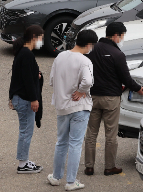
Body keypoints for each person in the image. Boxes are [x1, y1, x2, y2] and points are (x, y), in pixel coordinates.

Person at [83, 22, 143, 176]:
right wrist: (139, 89)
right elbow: (126, 78)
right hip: (111, 98)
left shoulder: (91, 49)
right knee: (110, 134)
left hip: (92, 96)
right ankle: (109, 166)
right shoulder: (118, 54)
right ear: (116, 35)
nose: (122, 38)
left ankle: (89, 166)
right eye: (122, 35)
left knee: (91, 133)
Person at [48, 30, 98, 191]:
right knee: (75, 144)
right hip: (79, 107)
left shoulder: (60, 56)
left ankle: (56, 177)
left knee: (61, 142)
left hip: (62, 106)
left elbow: (51, 81)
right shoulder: (85, 61)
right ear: (89, 44)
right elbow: (88, 81)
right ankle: (71, 182)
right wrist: (82, 90)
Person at [9, 25, 45, 174]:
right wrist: (34, 99)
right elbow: (27, 81)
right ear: (34, 37)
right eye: (41, 39)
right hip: (24, 99)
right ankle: (23, 164)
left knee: (25, 130)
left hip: (19, 98)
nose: (41, 42)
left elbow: (23, 75)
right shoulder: (27, 54)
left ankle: (24, 160)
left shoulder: (22, 53)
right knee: (26, 131)